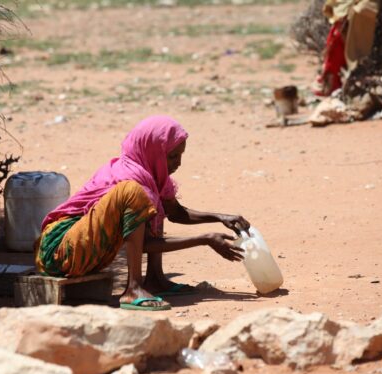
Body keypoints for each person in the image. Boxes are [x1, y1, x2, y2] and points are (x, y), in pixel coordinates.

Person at [35, 115, 250, 311]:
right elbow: (144, 243)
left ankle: (154, 279)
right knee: (136, 194)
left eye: (180, 155)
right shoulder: (131, 178)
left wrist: (220, 217)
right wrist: (205, 239)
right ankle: (133, 288)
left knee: (156, 205)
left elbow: (175, 213)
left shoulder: (152, 177)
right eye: (173, 156)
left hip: (86, 251)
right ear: (154, 151)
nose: (179, 163)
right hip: (59, 251)